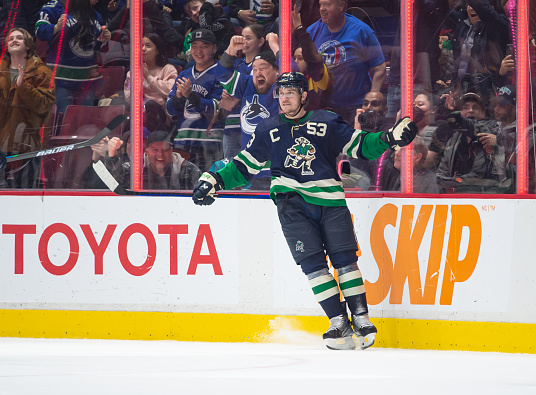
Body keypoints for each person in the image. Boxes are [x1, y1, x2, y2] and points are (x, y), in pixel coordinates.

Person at [191, 72, 418, 350]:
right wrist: (215, 180)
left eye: (291, 92)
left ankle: (360, 317)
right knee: (313, 266)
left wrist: (389, 138)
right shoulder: (267, 129)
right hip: (292, 206)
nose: (285, 98)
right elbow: (243, 166)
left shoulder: (326, 121)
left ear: (303, 96)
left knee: (345, 260)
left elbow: (360, 146)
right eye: (281, 93)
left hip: (331, 203)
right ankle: (338, 322)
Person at [306, 0, 386, 123]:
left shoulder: (362, 31)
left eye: (327, 4)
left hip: (356, 106)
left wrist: (370, 101)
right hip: (323, 106)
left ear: (341, 5)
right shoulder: (312, 31)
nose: (322, 9)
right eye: (320, 4)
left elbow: (380, 68)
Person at [0, 27, 55, 188]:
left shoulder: (42, 72)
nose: (14, 40)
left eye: (19, 37)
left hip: (26, 143)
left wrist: (23, 87)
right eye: (11, 38)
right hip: (1, 142)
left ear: (29, 45)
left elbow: (45, 106)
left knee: (23, 194)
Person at [166, 28, 228, 172]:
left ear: (214, 48)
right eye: (194, 47)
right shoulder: (184, 74)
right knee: (183, 186)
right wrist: (179, 97)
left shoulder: (223, 73)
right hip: (183, 141)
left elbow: (217, 111)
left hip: (210, 143)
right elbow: (169, 109)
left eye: (204, 47)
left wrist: (191, 95)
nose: (198, 51)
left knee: (208, 185)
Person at [36, 0, 111, 113]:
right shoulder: (53, 7)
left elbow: (94, 49)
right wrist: (56, 27)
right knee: (61, 117)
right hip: (61, 78)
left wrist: (103, 40)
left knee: (84, 119)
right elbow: (39, 31)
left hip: (87, 78)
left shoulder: (95, 15)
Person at [218, 45, 279, 174]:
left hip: (276, 168)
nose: (258, 73)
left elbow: (292, 70)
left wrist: (275, 45)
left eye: (263, 68)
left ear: (277, 71)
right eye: (254, 69)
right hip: (250, 169)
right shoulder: (247, 84)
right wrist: (230, 50)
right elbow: (222, 73)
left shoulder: (282, 88)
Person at [104, 129, 200, 189]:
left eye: (165, 149)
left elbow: (203, 189)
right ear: (147, 152)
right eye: (155, 149)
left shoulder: (188, 169)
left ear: (171, 152)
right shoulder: (137, 166)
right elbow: (116, 176)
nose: (160, 154)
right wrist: (111, 153)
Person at [123, 32, 178, 108]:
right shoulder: (132, 73)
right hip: (139, 112)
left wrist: (148, 77)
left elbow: (170, 91)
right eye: (141, 46)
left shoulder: (168, 69)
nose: (143, 49)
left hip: (160, 113)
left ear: (157, 51)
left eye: (148, 46)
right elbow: (128, 98)